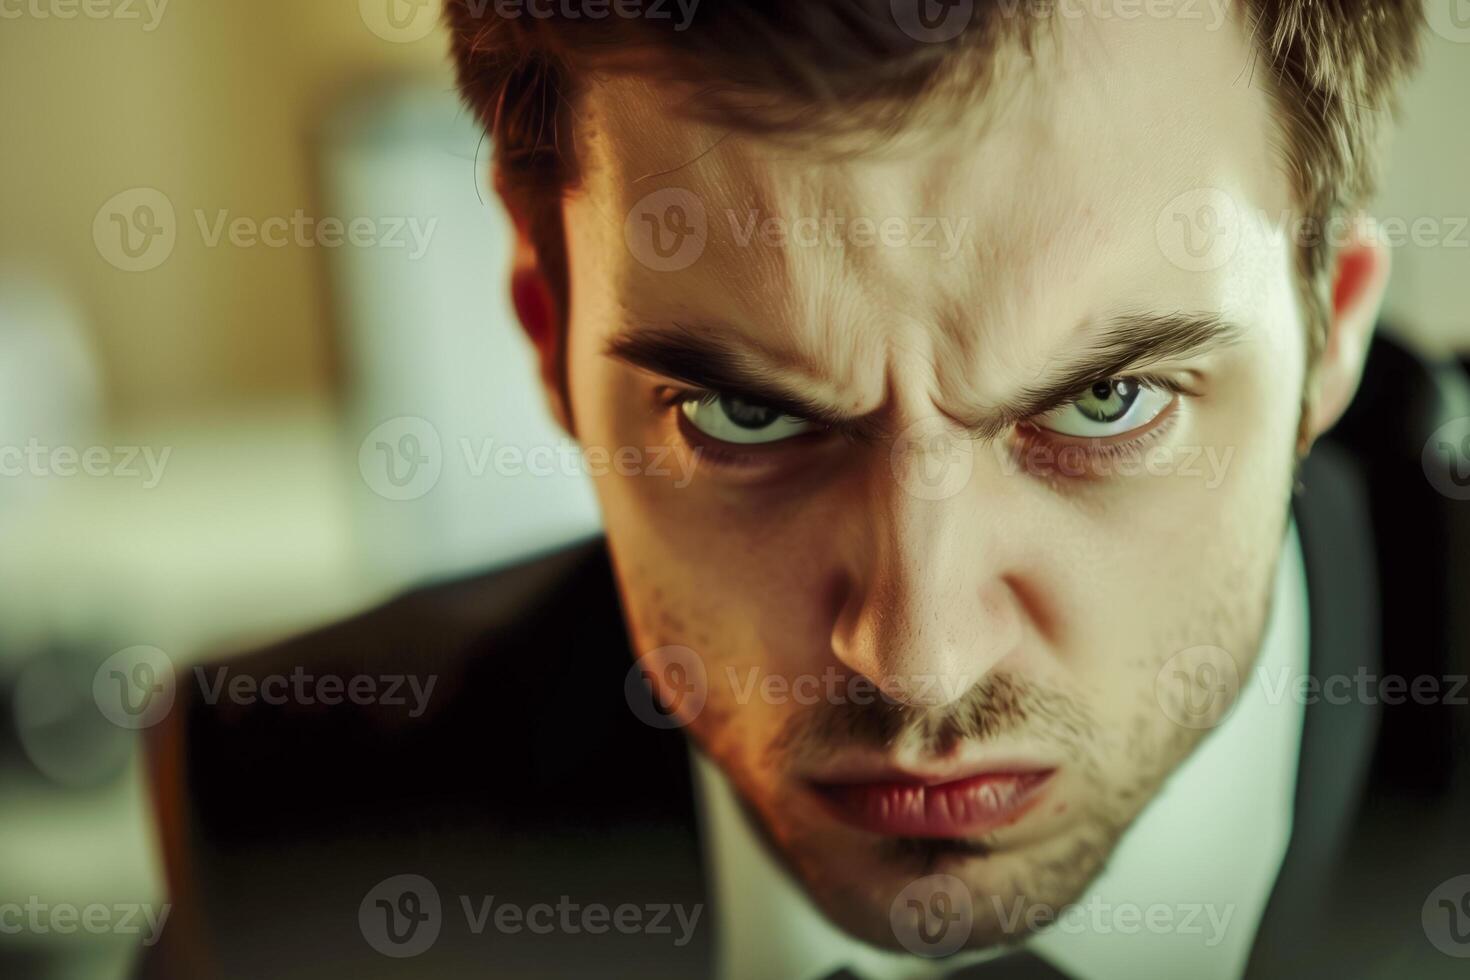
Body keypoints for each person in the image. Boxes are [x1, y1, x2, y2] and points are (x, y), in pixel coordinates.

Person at [141, 2, 1470, 977]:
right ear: (544, 325)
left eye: (1102, 404)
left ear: (1332, 323)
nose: (916, 660)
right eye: (748, 415)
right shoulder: (304, 840)